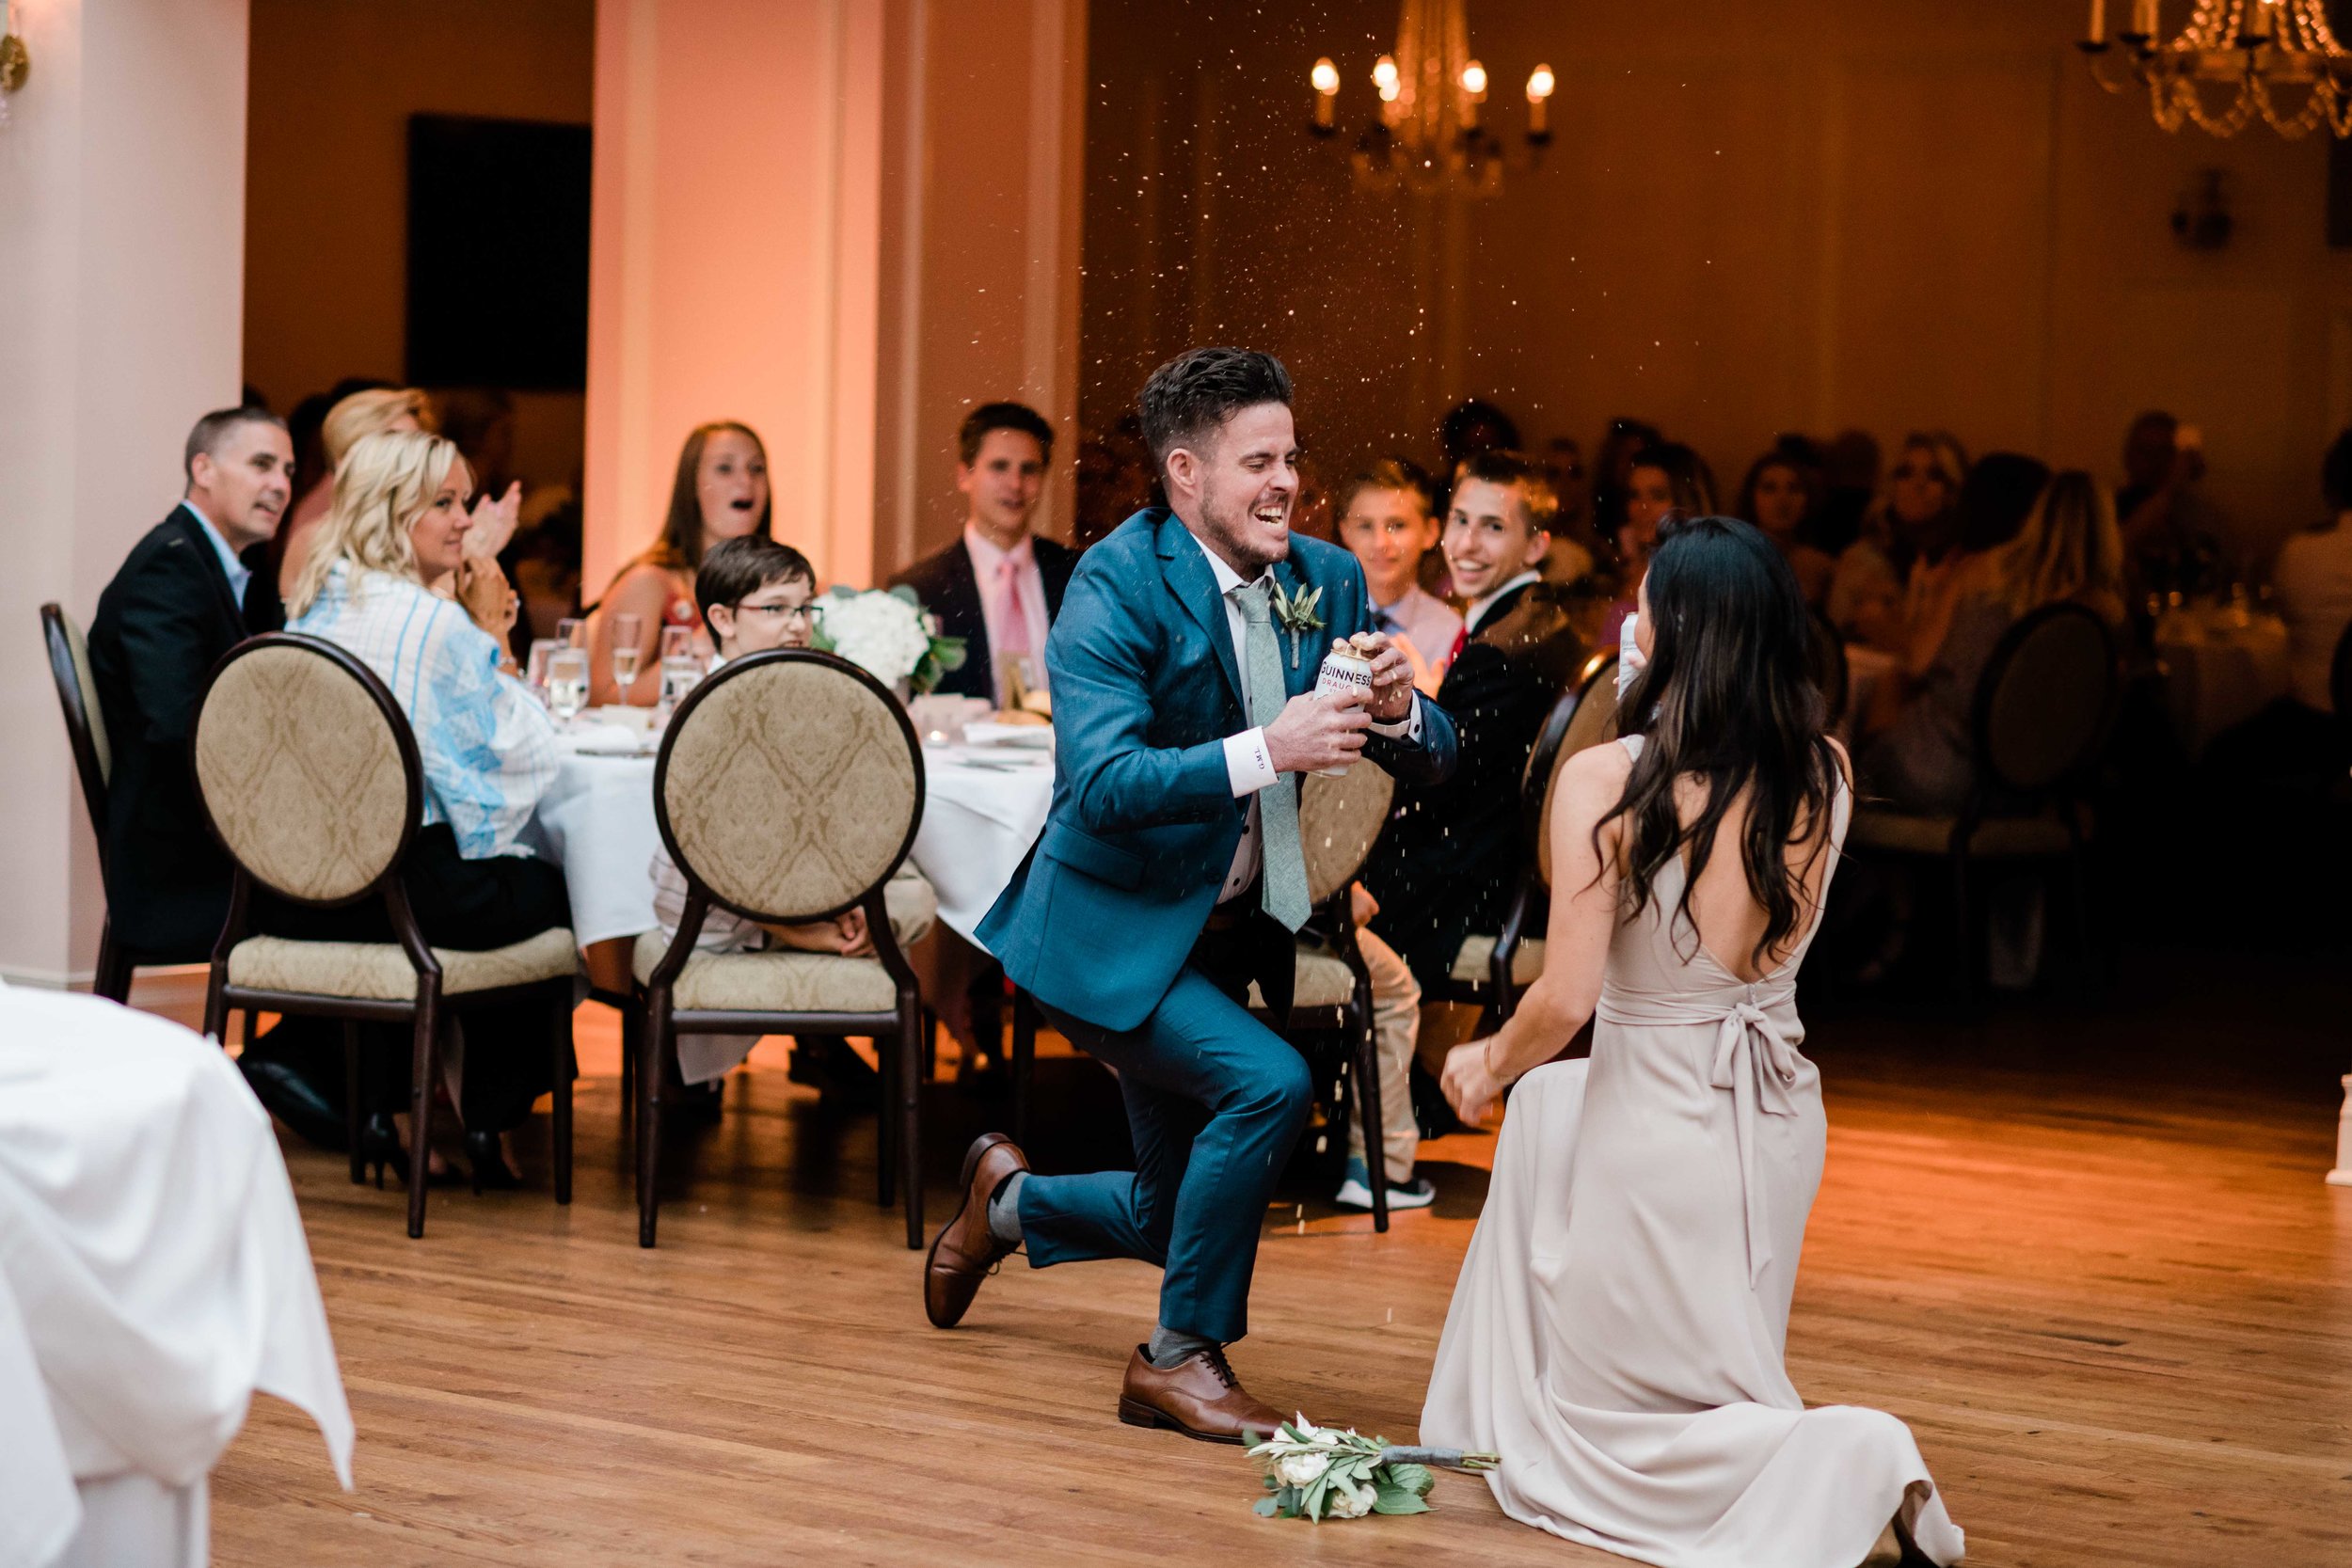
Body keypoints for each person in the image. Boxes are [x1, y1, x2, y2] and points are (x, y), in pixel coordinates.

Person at [923, 347, 1458, 1443]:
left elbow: (1437, 757)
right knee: (1268, 1083)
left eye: (1292, 458)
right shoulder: (1114, 584)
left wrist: (1402, 712)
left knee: (1174, 1212)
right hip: (1108, 927)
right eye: (1256, 461)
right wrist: (1271, 746)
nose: (1286, 483)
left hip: (1224, 930)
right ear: (1184, 473)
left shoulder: (1326, 576)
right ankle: (1175, 1359)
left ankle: (1007, 1204)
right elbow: (1104, 783)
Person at [1420, 514, 1964, 1568]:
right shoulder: (1829, 771)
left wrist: (1481, 1061)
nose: (1630, 620)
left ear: (1673, 631)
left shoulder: (1613, 778)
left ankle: (1852, 1452)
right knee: (1554, 1123)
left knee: (1622, 1426)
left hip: (1657, 1121)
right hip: (1771, 1117)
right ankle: (1801, 1453)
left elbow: (1567, 997)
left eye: (1645, 605)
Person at [278, 428, 565, 1188]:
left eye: (465, 501)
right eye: (443, 503)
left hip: (307, 889)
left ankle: (375, 1102)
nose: (465, 521)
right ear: (389, 511)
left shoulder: (317, 596)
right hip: (404, 893)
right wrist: (492, 630)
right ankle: (486, 1117)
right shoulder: (435, 625)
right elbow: (522, 764)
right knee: (546, 884)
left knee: (498, 872)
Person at [646, 535, 939, 1098]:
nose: (796, 625)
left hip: (797, 889)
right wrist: (808, 934)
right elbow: (715, 863)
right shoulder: (708, 710)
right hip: (714, 908)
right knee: (895, 909)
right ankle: (830, 972)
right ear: (722, 619)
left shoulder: (801, 686)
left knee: (915, 894)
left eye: (805, 608)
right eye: (775, 609)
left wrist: (845, 901)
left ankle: (844, 953)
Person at [1363, 450, 1585, 1126]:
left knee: (1303, 887)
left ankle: (1346, 1108)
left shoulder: (1502, 649)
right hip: (1497, 863)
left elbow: (1439, 787)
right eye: (1459, 519)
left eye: (1493, 527)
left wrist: (1397, 713)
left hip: (1467, 879)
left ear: (1535, 544)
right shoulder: (1540, 626)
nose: (1465, 543)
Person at [87, 407, 294, 964]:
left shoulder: (225, 571)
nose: (280, 485)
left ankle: (299, 1053)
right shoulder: (170, 568)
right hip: (183, 876)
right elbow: (178, 726)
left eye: (289, 471)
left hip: (214, 855)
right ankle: (299, 1054)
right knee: (384, 901)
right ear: (203, 469)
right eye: (262, 464)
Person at [1859, 454, 2077, 814]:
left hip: (1941, 773)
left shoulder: (1976, 571)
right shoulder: (2063, 584)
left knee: (1890, 685)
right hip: (2024, 784)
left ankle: (1858, 824)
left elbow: (1917, 661)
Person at [889, 402, 1077, 706]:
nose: (1015, 484)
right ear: (964, 475)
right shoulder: (920, 588)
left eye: (1029, 470)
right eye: (999, 467)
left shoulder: (1078, 573)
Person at [587, 421, 772, 705]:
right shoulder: (648, 583)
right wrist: (698, 645)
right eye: (725, 469)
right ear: (692, 487)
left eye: (756, 469)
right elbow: (603, 697)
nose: (746, 481)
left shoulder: (781, 586)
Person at [1829, 430, 1969, 652]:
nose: (1918, 484)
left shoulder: (1964, 561)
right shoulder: (1864, 557)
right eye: (1905, 473)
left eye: (1934, 475)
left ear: (1952, 489)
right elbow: (1836, 639)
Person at [1334, 458, 1459, 695]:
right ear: (1345, 532)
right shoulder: (1325, 615)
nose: (1381, 543)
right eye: (1365, 526)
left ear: (1430, 532)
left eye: (1397, 525)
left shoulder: (1449, 633)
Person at [1601, 441, 1716, 647]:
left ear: (1687, 502)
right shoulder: (1643, 567)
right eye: (1634, 495)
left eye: (1658, 496)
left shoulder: (1696, 577)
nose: (1642, 508)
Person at [2116, 409, 2228, 601]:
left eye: (2163, 452)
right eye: (2145, 451)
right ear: (2128, 456)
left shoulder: (2194, 511)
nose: (2154, 462)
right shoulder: (2109, 506)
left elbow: (2220, 565)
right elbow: (2120, 544)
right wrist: (2170, 487)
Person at [1736, 447, 1836, 608]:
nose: (1782, 500)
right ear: (1751, 498)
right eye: (1769, 488)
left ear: (1807, 500)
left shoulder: (1820, 566)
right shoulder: (1733, 560)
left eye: (1793, 489)